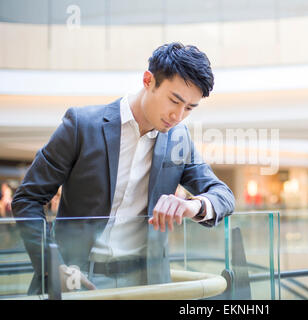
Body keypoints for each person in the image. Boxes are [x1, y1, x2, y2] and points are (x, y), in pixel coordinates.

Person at [12, 42, 235, 295]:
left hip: (148, 284)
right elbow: (27, 198)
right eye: (175, 100)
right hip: (78, 280)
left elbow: (223, 195)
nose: (178, 116)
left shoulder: (178, 139)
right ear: (148, 80)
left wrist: (193, 205)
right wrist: (52, 267)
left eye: (189, 108)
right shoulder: (81, 126)